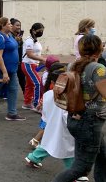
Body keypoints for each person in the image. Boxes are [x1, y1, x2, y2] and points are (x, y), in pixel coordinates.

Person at [53, 35, 106, 182]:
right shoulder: (98, 69)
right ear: (99, 49)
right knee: (81, 167)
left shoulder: (73, 65)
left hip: (75, 118)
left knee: (103, 156)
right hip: (90, 123)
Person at [25, 89, 79, 171]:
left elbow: (45, 112)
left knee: (49, 143)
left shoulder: (48, 94)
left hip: (51, 124)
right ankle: (74, 172)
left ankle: (33, 158)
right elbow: (67, 116)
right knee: (69, 149)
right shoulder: (70, 95)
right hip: (65, 128)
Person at [0, 17, 26, 121]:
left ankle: (12, 113)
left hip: (12, 69)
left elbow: (13, 48)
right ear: (2, 26)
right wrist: (5, 73)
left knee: (13, 90)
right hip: (1, 70)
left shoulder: (10, 35)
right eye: (9, 24)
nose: (11, 25)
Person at [21, 23, 47, 111]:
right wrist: (42, 59)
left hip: (33, 64)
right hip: (28, 64)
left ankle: (27, 103)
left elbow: (36, 53)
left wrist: (40, 60)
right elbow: (29, 54)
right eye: (40, 30)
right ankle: (37, 105)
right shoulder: (29, 40)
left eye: (42, 30)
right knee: (38, 83)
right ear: (33, 30)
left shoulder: (36, 40)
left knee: (30, 84)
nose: (41, 32)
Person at [10, 18, 26, 93]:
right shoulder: (9, 36)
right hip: (11, 62)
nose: (19, 27)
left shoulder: (18, 36)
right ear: (12, 26)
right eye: (17, 25)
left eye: (20, 25)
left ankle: (26, 94)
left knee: (22, 78)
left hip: (19, 61)